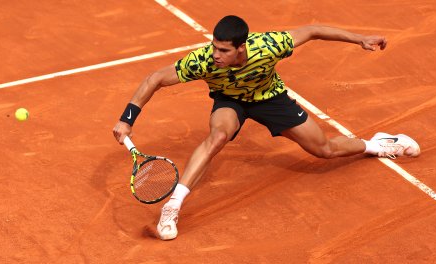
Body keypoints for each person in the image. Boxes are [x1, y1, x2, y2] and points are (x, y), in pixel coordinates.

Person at [113, 15, 420, 240]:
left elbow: (312, 30)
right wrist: (127, 119)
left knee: (324, 149)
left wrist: (359, 39)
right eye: (214, 47)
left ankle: (377, 144)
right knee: (218, 135)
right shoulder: (203, 61)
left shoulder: (268, 46)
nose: (216, 55)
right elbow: (154, 78)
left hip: (269, 98)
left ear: (241, 48)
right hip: (229, 101)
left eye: (223, 50)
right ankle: (173, 207)